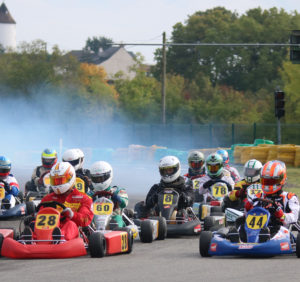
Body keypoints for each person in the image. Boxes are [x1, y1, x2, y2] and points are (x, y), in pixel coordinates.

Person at [27, 162, 94, 241]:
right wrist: (35, 216)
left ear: (71, 178)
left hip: (70, 232)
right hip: (47, 229)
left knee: (70, 224)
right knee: (33, 224)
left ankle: (59, 237)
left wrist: (72, 215)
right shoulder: (48, 198)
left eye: (60, 180)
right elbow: (41, 215)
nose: (57, 184)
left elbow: (85, 219)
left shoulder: (84, 199)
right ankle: (30, 238)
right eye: (55, 181)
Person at [241, 160, 299, 239]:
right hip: (256, 229)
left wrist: (282, 215)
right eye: (266, 181)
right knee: (240, 222)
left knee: (275, 229)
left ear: (281, 180)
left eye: (271, 181)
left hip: (279, 231)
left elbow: (294, 217)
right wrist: (247, 208)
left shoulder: (290, 197)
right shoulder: (258, 196)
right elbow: (249, 215)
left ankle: (263, 239)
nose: (268, 184)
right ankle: (238, 237)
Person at [88, 161, 128, 227]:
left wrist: (117, 198)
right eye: (96, 179)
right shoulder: (91, 193)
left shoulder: (117, 191)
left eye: (101, 178)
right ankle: (87, 233)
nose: (99, 181)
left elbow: (124, 204)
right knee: (87, 219)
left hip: (112, 218)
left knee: (117, 219)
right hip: (95, 220)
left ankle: (117, 232)